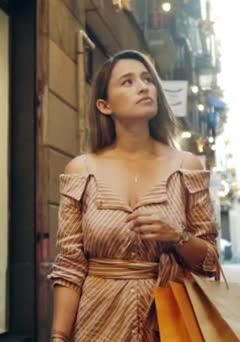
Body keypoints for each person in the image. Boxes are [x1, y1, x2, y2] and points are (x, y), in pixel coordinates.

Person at [48, 50, 219, 342]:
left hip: (170, 323)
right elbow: (70, 266)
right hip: (97, 325)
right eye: (127, 82)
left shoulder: (186, 166)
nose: (143, 87)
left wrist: (177, 236)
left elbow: (211, 261)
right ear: (104, 105)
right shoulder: (81, 170)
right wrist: (59, 337)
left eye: (147, 79)